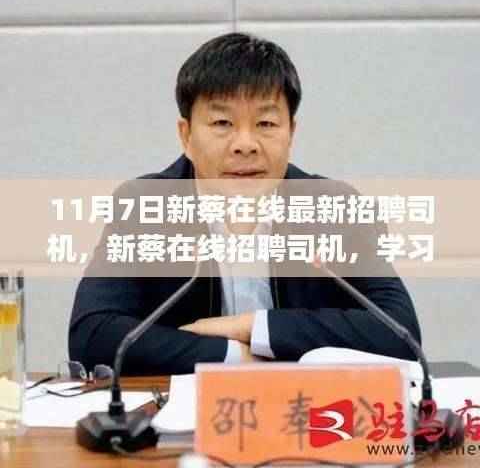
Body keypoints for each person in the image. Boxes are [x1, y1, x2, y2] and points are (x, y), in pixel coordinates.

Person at [69, 33, 421, 375]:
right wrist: (234, 355)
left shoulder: (334, 207)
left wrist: (254, 327)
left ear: (291, 132)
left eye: (265, 123)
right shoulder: (144, 206)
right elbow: (93, 335)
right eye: (222, 123)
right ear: (186, 136)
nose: (245, 144)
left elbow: (400, 333)